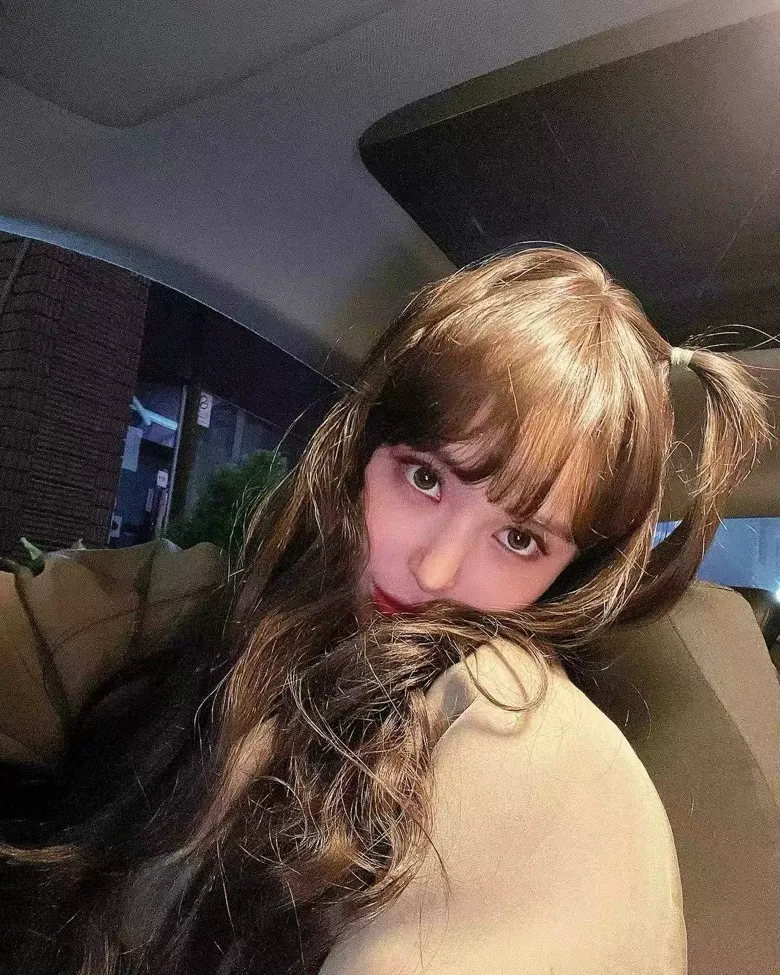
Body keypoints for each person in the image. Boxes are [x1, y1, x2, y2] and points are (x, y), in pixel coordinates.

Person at [0, 247, 770, 975]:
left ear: (573, 573)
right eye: (426, 479)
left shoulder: (518, 737)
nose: (435, 570)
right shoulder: (209, 599)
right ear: (364, 448)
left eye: (519, 538)